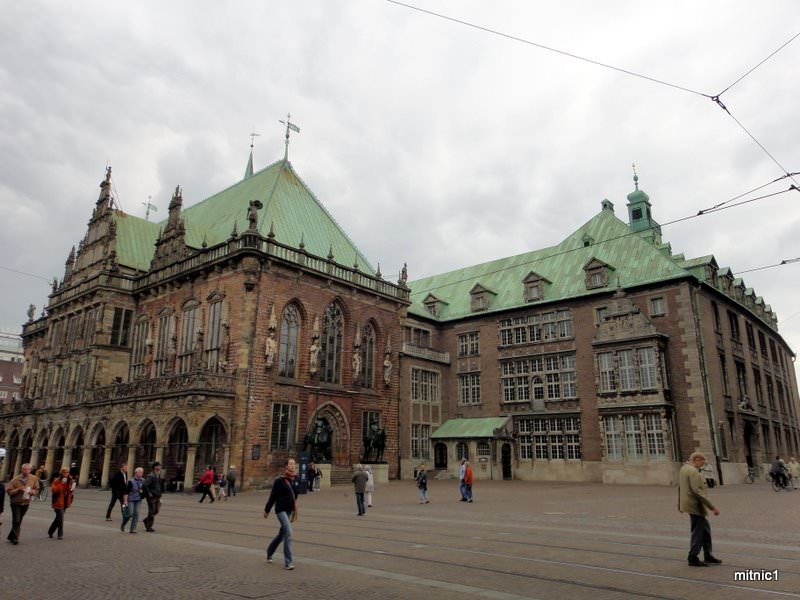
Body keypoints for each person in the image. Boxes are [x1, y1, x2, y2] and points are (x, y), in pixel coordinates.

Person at [678, 451, 721, 567]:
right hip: (695, 505)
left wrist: (680, 504)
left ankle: (708, 554)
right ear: (696, 460)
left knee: (705, 530)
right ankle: (692, 556)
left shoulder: (684, 468)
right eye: (702, 462)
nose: (703, 464)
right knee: (698, 532)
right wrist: (712, 507)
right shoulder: (693, 471)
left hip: (689, 504)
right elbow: (698, 492)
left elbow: (681, 488)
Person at [264, 457, 298, 570]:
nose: (293, 466)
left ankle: (269, 551)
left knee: (281, 535)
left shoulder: (295, 479)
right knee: (288, 533)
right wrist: (267, 510)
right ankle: (288, 562)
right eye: (291, 464)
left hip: (289, 510)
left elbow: (295, 496)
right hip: (280, 510)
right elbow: (273, 496)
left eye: (294, 464)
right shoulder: (279, 481)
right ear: (286, 466)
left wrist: (294, 508)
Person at [5, 463, 40, 545]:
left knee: (19, 520)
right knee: (16, 520)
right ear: (21, 470)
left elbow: (37, 489)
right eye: (24, 469)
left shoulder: (34, 478)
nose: (26, 471)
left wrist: (33, 492)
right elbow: (9, 491)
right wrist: (18, 489)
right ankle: (15, 538)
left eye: (28, 469)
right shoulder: (15, 479)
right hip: (15, 503)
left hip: (26, 502)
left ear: (30, 470)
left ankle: (11, 536)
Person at [48, 469, 74, 539]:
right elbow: (54, 490)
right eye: (65, 472)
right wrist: (61, 484)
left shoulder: (70, 480)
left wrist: (71, 491)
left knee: (58, 518)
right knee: (61, 518)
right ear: (61, 473)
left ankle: (50, 531)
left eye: (67, 472)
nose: (66, 474)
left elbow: (71, 490)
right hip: (58, 502)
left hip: (65, 502)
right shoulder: (57, 481)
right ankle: (60, 534)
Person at [121, 467, 146, 533]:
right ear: (136, 473)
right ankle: (123, 524)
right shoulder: (131, 481)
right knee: (130, 514)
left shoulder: (143, 481)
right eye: (140, 472)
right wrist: (125, 501)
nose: (141, 473)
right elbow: (126, 492)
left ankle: (133, 529)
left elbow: (145, 489)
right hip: (131, 499)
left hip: (138, 499)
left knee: (136, 514)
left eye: (142, 472)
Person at [142, 462, 164, 532]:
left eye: (160, 466)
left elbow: (159, 485)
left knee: (156, 510)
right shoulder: (151, 475)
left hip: (157, 495)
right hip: (151, 496)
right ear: (155, 467)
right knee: (151, 511)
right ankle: (149, 527)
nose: (160, 467)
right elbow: (145, 485)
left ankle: (146, 520)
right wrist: (149, 493)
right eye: (159, 466)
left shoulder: (158, 475)